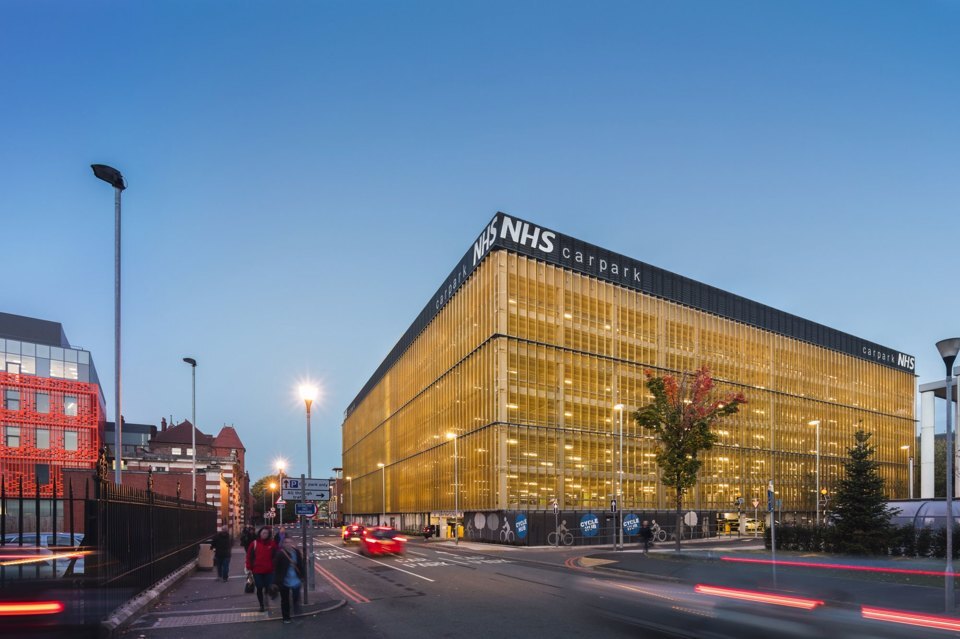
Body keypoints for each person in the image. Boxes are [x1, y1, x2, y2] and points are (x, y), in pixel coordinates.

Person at [273, 536, 306, 624]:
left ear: (293, 543)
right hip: (284, 581)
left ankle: (297, 614)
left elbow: (300, 565)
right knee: (285, 600)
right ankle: (286, 617)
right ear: (283, 544)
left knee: (296, 598)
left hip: (295, 580)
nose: (288, 544)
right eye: (286, 542)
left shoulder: (296, 552)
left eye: (290, 542)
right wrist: (276, 581)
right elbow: (276, 568)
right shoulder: (280, 554)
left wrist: (302, 576)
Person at [245, 526, 277, 612]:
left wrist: (275, 567)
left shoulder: (272, 544)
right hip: (257, 571)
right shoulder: (254, 543)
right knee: (259, 587)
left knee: (268, 587)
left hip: (269, 570)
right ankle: (261, 605)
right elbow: (248, 556)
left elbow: (276, 556)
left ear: (268, 534)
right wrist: (248, 567)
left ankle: (266, 596)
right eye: (263, 533)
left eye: (266, 533)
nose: (264, 534)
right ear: (260, 533)